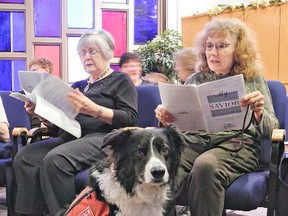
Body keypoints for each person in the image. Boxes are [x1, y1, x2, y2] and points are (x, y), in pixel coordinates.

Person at [155, 17, 279, 216]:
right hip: (194, 141)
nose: (213, 52)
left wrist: (258, 112)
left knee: (206, 166)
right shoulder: (195, 79)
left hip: (237, 144)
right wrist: (166, 117)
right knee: (162, 166)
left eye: (222, 46)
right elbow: (177, 125)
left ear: (238, 50)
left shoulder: (252, 79)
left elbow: (273, 129)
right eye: (210, 45)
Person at [13, 29, 138, 215]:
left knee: (56, 160)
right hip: (71, 135)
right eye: (83, 52)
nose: (86, 57)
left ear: (107, 52)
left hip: (103, 137)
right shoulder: (78, 85)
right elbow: (61, 124)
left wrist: (95, 110)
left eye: (92, 51)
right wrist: (41, 114)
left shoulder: (120, 80)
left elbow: (130, 117)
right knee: (25, 157)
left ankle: (67, 213)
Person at [26, 57, 55, 129]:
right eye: (30, 72)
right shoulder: (30, 91)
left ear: (46, 70)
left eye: (34, 70)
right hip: (30, 127)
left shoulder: (56, 90)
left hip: (48, 128)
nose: (32, 74)